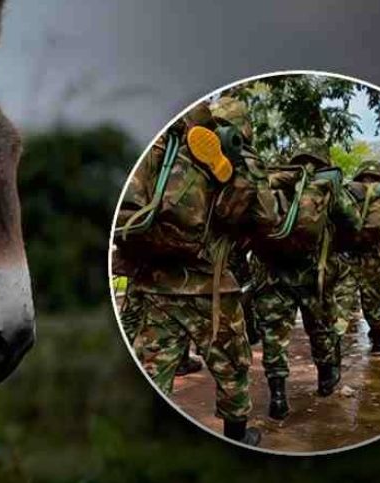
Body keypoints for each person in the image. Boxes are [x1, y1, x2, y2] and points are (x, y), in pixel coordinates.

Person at [113, 101, 280, 445]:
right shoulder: (243, 160)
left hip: (156, 287)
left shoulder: (164, 147)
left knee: (153, 368)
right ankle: (238, 437)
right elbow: (269, 220)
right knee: (231, 367)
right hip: (213, 288)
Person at [247, 150, 363, 420]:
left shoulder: (272, 182)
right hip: (315, 275)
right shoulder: (327, 187)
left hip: (271, 275)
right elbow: (354, 225)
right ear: (323, 161)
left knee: (274, 337)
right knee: (320, 329)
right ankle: (325, 381)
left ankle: (278, 398)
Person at [343, 161, 380, 352]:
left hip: (344, 255)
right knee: (372, 299)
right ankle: (378, 338)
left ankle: (333, 342)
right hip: (373, 258)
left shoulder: (346, 194)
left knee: (342, 299)